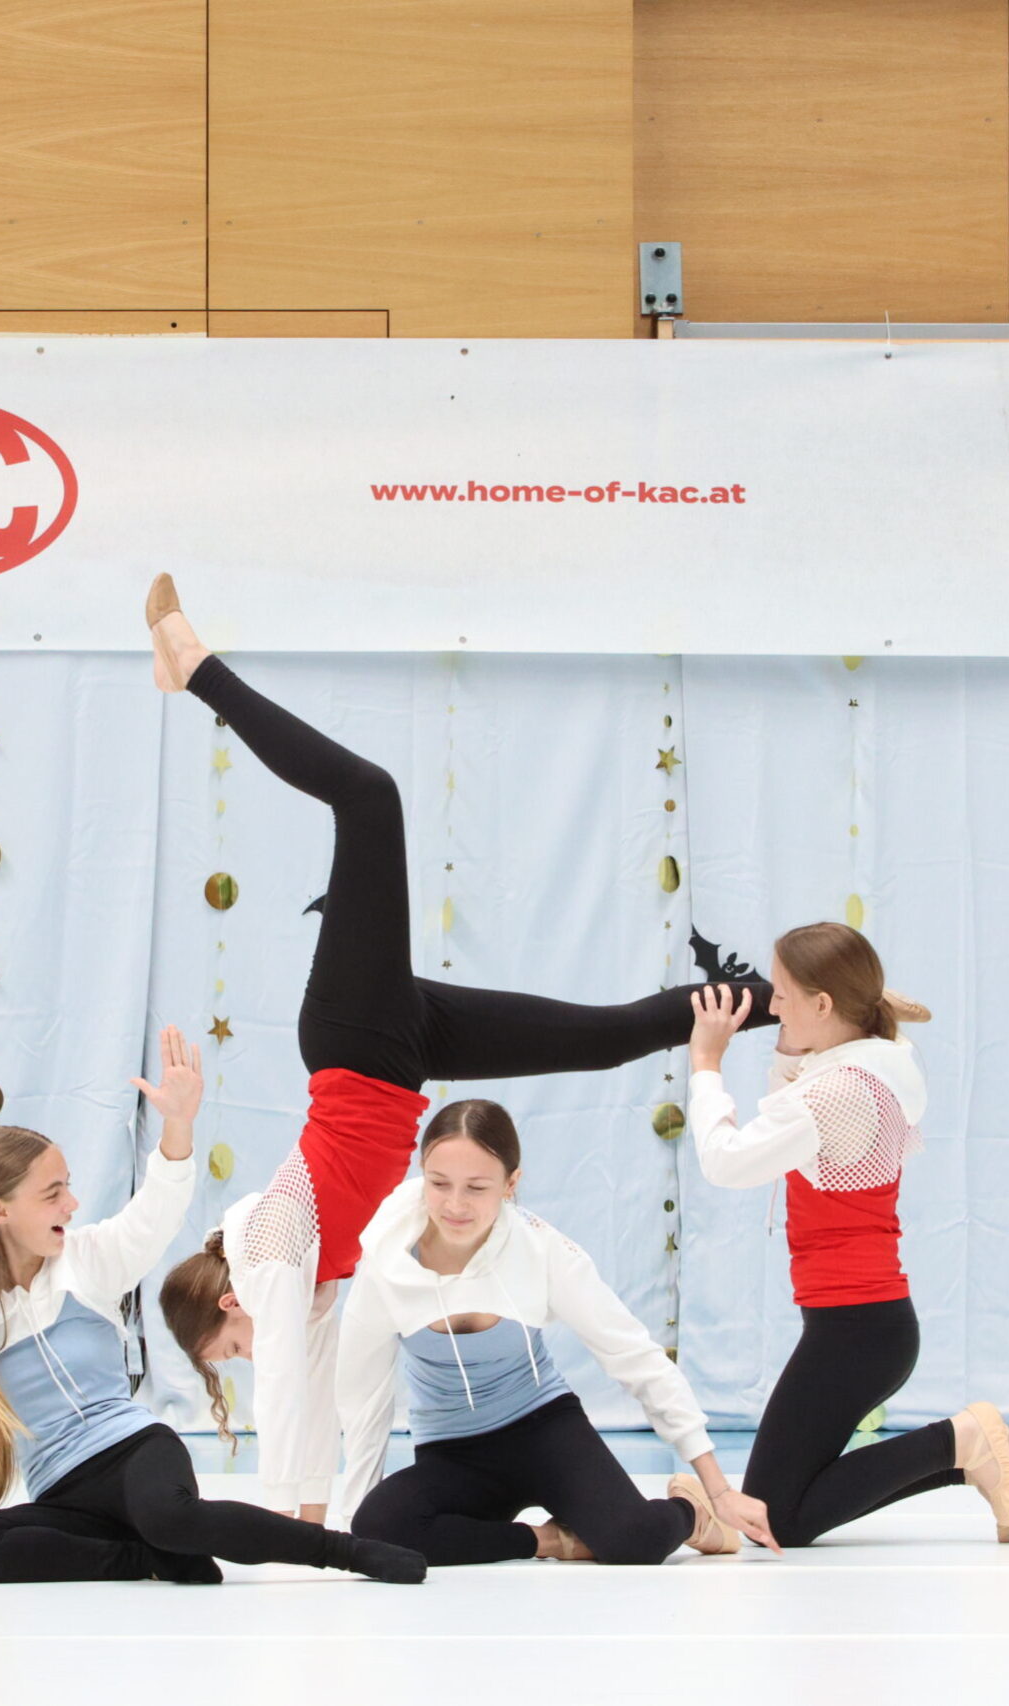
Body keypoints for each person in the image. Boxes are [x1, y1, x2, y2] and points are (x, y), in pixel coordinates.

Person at [146, 573, 779, 1520]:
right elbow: (336, 1399)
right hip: (403, 1062)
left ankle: (193, 667)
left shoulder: (272, 1251)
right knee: (608, 1037)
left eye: (226, 1350)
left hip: (358, 1043)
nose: (243, 1358)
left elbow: (281, 1391)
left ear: (229, 1307)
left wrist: (289, 1528)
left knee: (369, 798)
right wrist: (326, 1523)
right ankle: (798, 1007)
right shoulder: (314, 1285)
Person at [0, 1027, 425, 1585]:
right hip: (60, 1489)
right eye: (52, 1193)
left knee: (170, 1518)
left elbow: (155, 1214)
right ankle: (149, 1558)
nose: (72, 1203)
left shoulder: (87, 1259)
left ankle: (346, 1552)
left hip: (134, 1454)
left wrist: (178, 1124)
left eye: (68, 1186)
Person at [687, 923, 1009, 1545]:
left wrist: (706, 1065)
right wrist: (800, 1037)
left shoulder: (835, 1092)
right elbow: (791, 1098)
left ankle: (961, 1438)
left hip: (855, 1330)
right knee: (785, 1504)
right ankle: (962, 1454)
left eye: (782, 994)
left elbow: (726, 1162)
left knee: (778, 1517)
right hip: (865, 1326)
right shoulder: (872, 1063)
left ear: (824, 1005)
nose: (771, 1006)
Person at [334, 1098, 778, 1565]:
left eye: (477, 1187)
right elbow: (363, 1394)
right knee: (379, 1526)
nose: (455, 1205)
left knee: (635, 1542)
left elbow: (632, 1354)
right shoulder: (387, 1256)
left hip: (544, 1430)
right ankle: (553, 1541)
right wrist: (355, 1519)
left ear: (511, 1184)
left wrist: (718, 1488)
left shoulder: (540, 1249)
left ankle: (692, 1511)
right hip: (452, 1452)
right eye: (439, 1183)